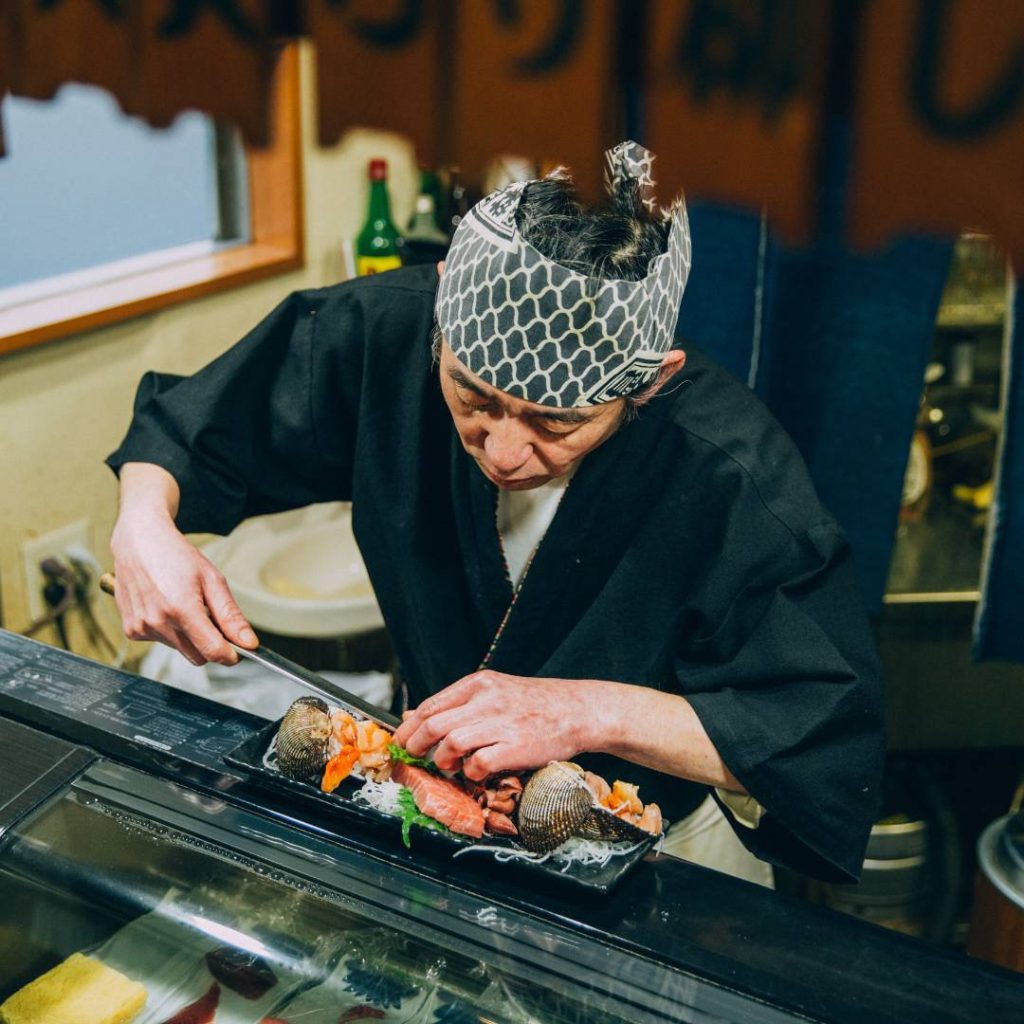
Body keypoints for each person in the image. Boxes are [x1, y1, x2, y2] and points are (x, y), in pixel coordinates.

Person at [107, 142, 884, 886]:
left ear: (650, 382)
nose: (505, 451)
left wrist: (590, 712)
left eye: (556, 422)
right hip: (438, 811)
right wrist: (144, 523)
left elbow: (815, 736)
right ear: (442, 298)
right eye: (474, 398)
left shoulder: (734, 472)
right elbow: (189, 428)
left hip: (653, 848)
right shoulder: (393, 332)